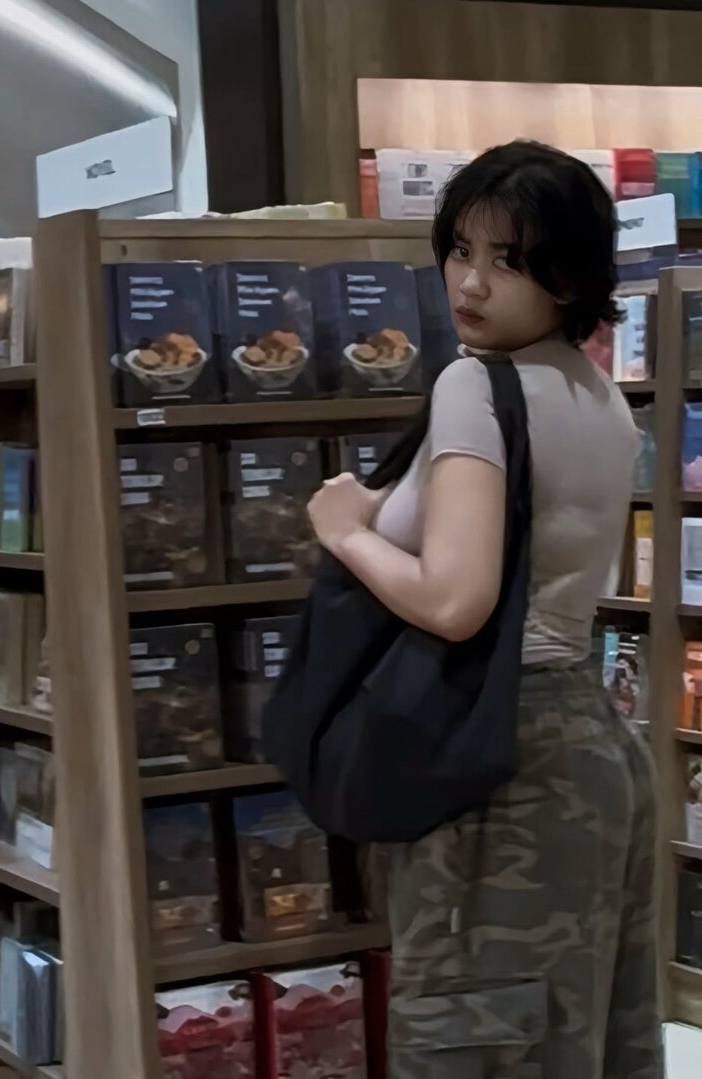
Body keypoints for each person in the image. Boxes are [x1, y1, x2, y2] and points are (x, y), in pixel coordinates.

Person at [308, 142, 661, 1076]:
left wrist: (345, 532)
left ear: (568, 276)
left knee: (474, 1036)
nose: (470, 282)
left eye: (508, 259)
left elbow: (457, 601)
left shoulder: (474, 386)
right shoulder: (596, 394)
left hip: (495, 757)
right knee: (585, 1035)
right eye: (460, 249)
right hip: (588, 740)